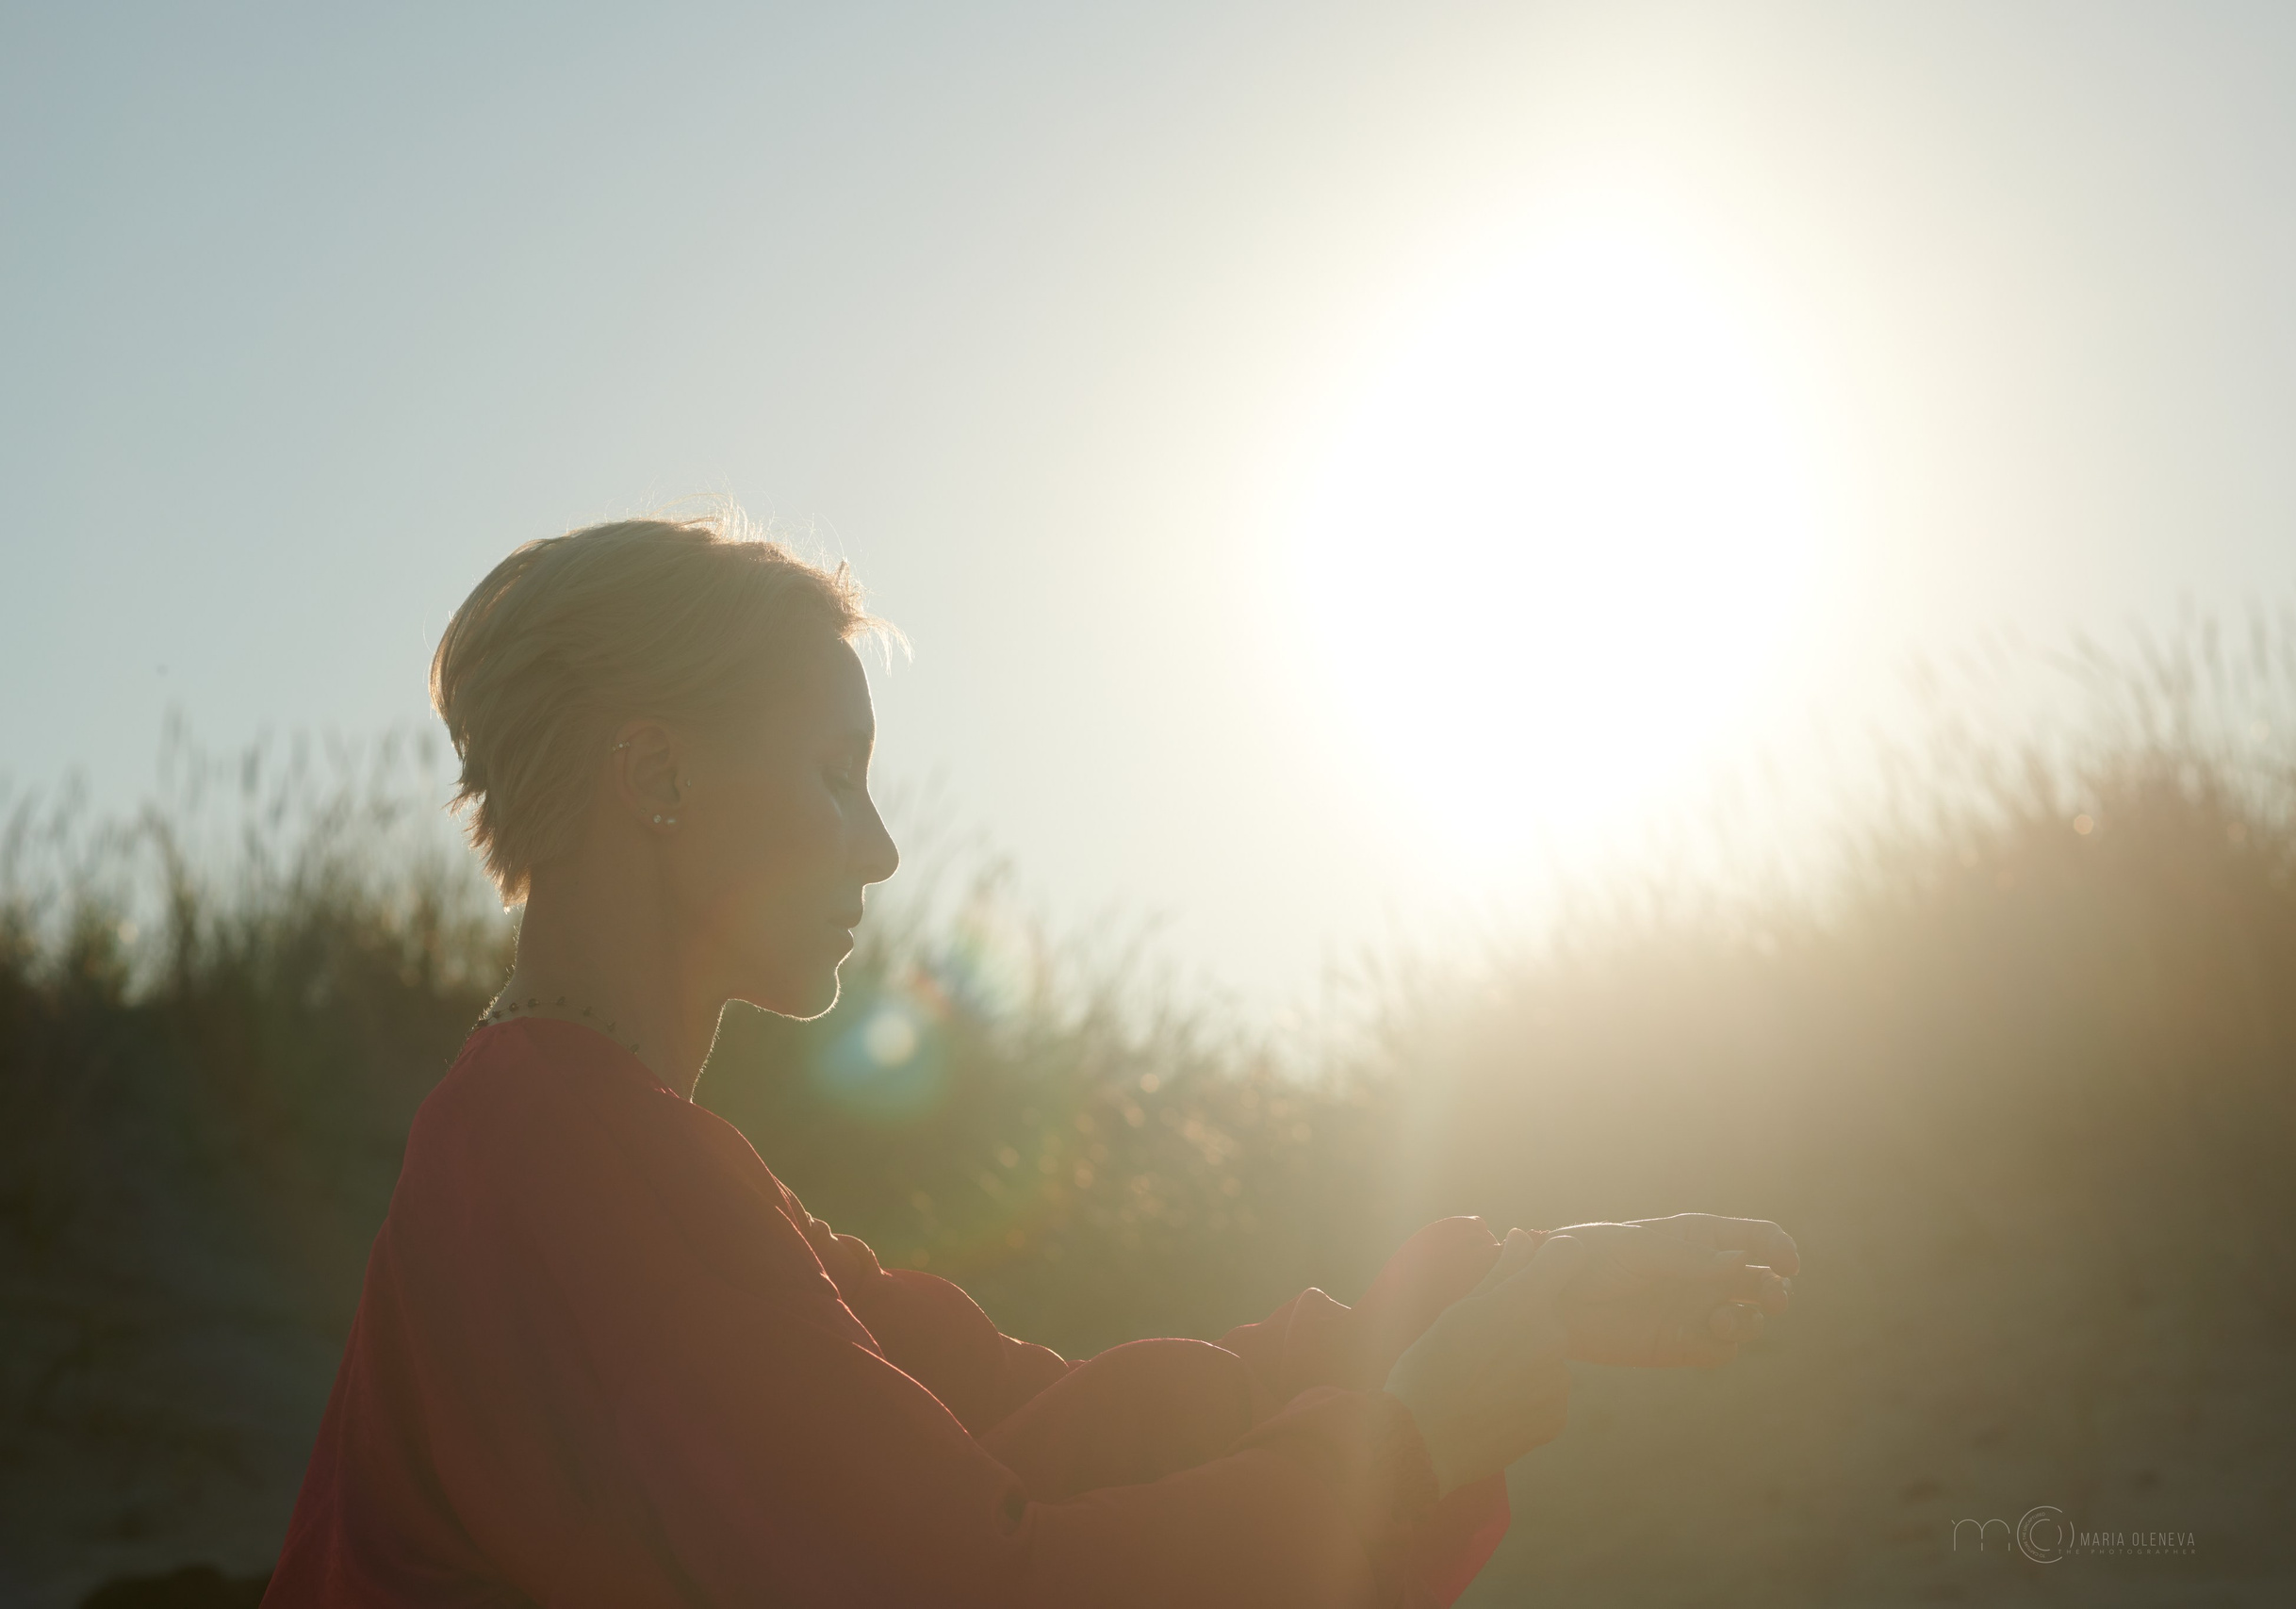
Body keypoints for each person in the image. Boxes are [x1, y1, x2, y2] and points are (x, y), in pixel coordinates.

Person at [264, 511, 1799, 1607]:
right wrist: (1401, 1449)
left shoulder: (585, 1135)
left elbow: (1025, 1424)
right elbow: (977, 1581)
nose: (879, 845)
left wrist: (1506, 1282)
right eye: (834, 773)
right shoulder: (565, 1162)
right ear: (656, 774)